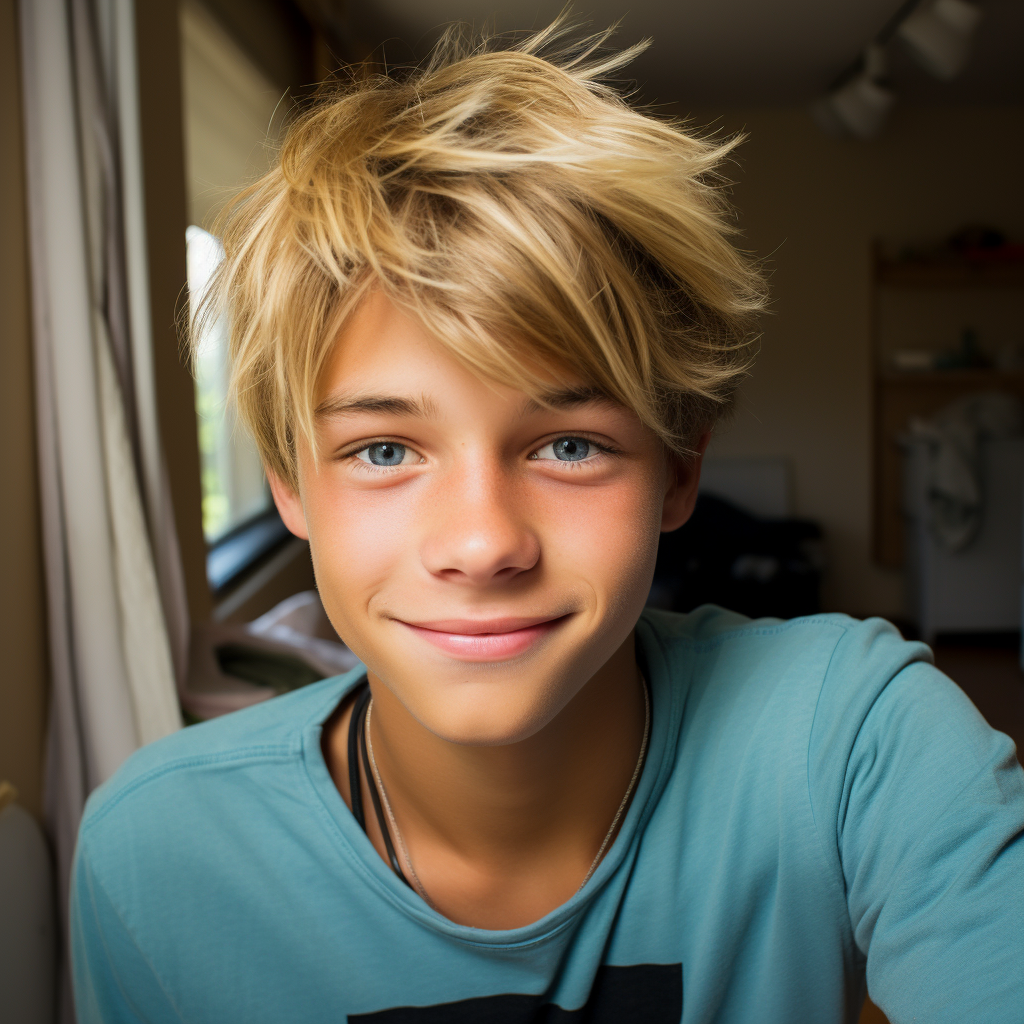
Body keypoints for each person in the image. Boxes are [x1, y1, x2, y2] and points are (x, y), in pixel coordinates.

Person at [71, 21, 1023, 1024]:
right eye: (384, 451)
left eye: (568, 444)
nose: (481, 545)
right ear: (290, 485)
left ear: (678, 468)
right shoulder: (158, 852)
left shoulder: (855, 738)